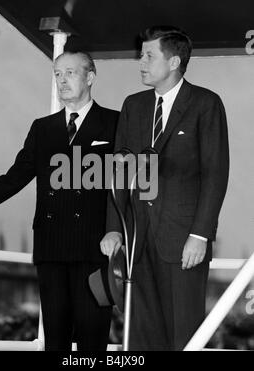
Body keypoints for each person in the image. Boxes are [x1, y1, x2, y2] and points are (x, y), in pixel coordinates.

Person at [0, 51, 119, 351]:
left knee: (91, 344)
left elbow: (124, 187)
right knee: (55, 341)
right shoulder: (43, 128)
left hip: (94, 249)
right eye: (57, 74)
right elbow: (16, 176)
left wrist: (116, 230)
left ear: (90, 77)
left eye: (70, 72)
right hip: (51, 248)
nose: (62, 80)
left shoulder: (115, 123)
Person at [100, 26, 229, 351]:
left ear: (173, 62)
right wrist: (114, 229)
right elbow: (119, 171)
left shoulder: (206, 104)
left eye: (148, 55)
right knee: (141, 338)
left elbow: (216, 173)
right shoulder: (133, 105)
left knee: (183, 337)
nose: (140, 61)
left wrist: (200, 235)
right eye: (141, 55)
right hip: (135, 244)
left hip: (183, 243)